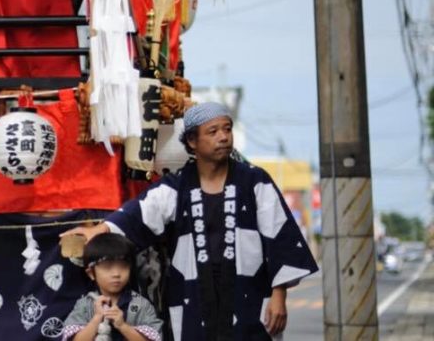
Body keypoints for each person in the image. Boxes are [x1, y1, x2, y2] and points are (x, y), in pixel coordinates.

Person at [66, 102, 318, 340]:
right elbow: (140, 213)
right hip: (193, 293)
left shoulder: (254, 180)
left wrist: (279, 295)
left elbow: (279, 236)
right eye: (213, 131)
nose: (223, 137)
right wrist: (101, 229)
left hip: (247, 290)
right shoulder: (178, 185)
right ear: (192, 141)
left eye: (227, 129)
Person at [62, 233, 163, 341]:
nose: (116, 274)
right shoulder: (84, 305)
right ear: (91, 273)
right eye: (107, 267)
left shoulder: (142, 304)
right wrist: (96, 319)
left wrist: (122, 325)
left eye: (123, 266)